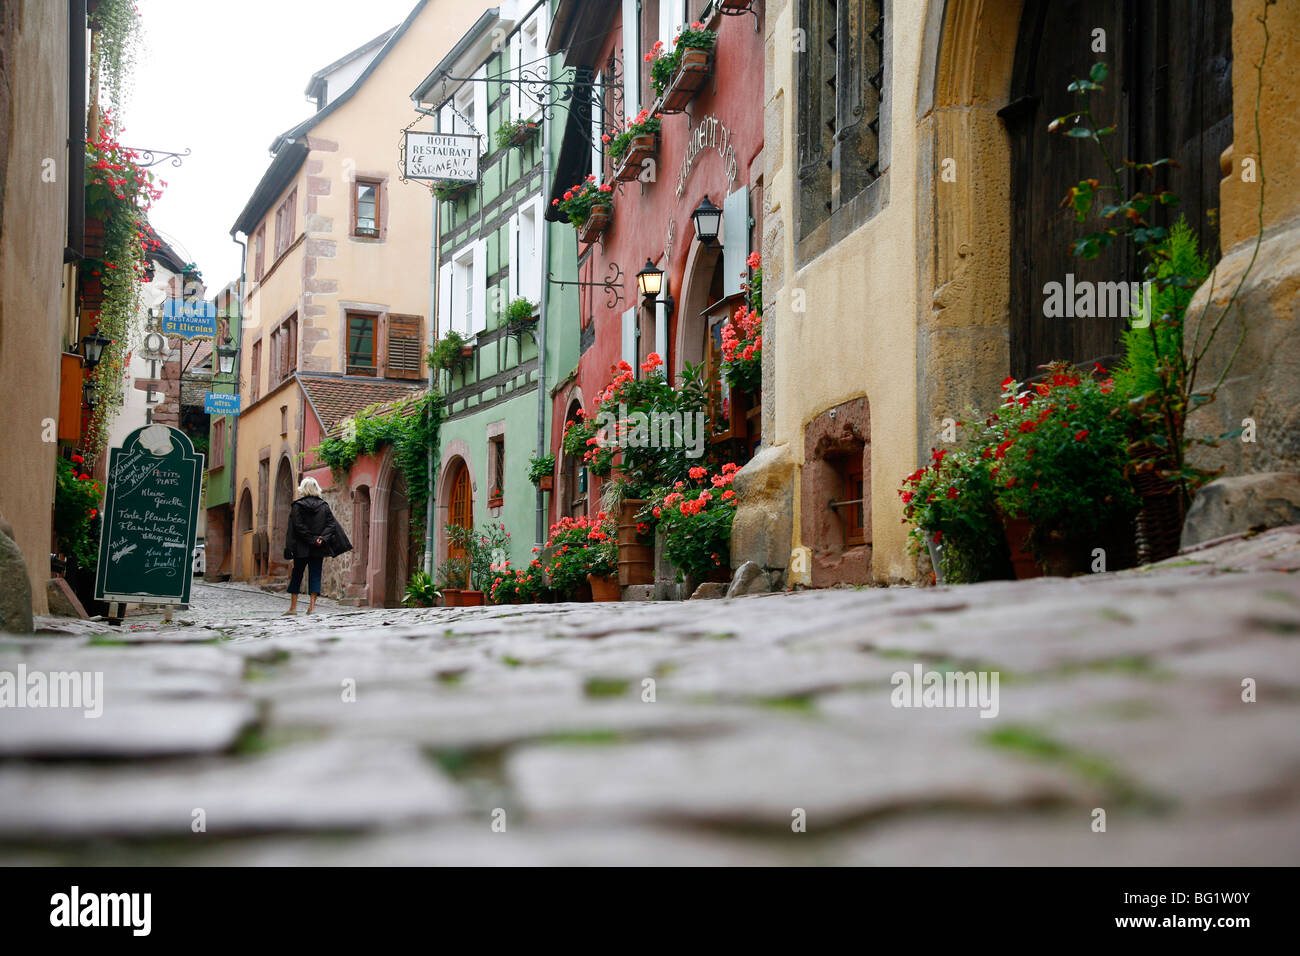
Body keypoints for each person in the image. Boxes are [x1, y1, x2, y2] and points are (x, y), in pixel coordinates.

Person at [283, 477, 352, 615]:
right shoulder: (324, 506)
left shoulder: (297, 506)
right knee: (315, 575)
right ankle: (312, 608)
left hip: (301, 548)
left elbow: (297, 527)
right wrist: (320, 539)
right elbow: (331, 524)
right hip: (318, 547)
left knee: (297, 575)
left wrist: (310, 539)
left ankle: (293, 608)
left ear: (303, 489)